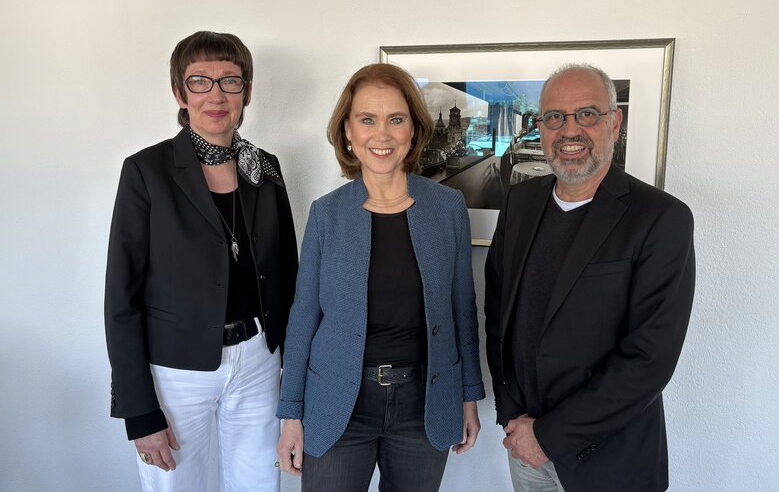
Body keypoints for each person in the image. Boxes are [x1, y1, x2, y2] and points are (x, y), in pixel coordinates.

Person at [485, 63, 695, 492]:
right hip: (523, 444)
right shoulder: (521, 202)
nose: (569, 130)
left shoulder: (660, 218)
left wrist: (548, 437)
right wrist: (511, 412)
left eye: (587, 114)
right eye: (555, 117)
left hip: (608, 459)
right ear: (540, 127)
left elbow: (649, 359)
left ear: (614, 122)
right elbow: (498, 312)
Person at [276, 63, 484, 492]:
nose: (382, 134)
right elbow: (303, 317)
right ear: (348, 131)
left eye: (396, 119)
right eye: (367, 119)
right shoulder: (326, 214)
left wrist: (469, 395)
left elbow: (462, 309)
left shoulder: (447, 208)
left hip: (424, 405)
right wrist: (290, 413)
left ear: (414, 129)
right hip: (337, 403)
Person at [104, 30, 298, 491]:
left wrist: (295, 382)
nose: (216, 94)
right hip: (176, 370)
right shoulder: (146, 171)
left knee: (258, 485)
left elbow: (288, 277)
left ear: (246, 92)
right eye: (199, 81)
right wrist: (138, 410)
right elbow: (121, 298)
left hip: (259, 361)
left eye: (230, 80)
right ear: (180, 92)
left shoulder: (265, 167)